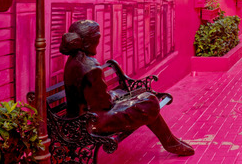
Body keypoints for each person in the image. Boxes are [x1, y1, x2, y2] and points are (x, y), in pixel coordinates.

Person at [59, 20, 194, 156]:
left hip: (81, 118)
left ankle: (171, 141)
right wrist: (113, 96)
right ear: (89, 41)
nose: (98, 43)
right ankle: (170, 142)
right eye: (98, 39)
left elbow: (94, 98)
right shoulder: (91, 67)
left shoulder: (74, 61)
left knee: (144, 98)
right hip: (93, 122)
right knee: (148, 102)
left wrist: (114, 96)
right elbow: (104, 104)